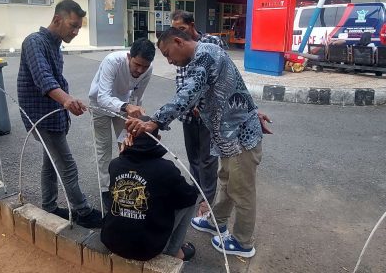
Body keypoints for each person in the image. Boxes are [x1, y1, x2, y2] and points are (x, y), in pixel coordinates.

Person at [125, 27, 272, 258]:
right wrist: (253, 111)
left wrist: (155, 121)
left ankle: (243, 243)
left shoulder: (204, 56)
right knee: (226, 180)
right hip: (227, 136)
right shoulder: (207, 52)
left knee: (242, 190)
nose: (170, 61)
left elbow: (187, 93)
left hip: (240, 136)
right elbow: (232, 87)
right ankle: (217, 221)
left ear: (178, 41)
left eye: (167, 54)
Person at [17, 0, 103, 228]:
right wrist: (66, 100)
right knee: (66, 165)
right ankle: (82, 211)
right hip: (40, 117)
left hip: (54, 116)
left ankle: (50, 206)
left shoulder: (54, 45)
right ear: (57, 19)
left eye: (78, 27)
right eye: (73, 26)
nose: (75, 32)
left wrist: (68, 101)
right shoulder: (34, 42)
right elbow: (43, 78)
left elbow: (56, 80)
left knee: (51, 163)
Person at [101, 128, 198, 262]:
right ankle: (174, 251)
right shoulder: (166, 169)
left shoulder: (115, 164)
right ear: (158, 139)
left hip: (111, 241)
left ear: (128, 138)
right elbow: (189, 196)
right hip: (146, 249)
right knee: (193, 198)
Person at [88, 38, 155, 210]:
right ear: (128, 56)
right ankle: (105, 189)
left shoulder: (148, 69)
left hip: (124, 107)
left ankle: (125, 183)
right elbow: (103, 96)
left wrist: (136, 112)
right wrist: (127, 106)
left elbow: (137, 96)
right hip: (99, 106)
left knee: (127, 146)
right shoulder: (113, 61)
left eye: (144, 67)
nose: (140, 70)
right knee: (103, 148)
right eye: (136, 65)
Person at [170, 10, 225, 217]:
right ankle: (197, 190)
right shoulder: (179, 44)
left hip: (207, 111)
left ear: (192, 25)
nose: (180, 34)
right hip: (187, 111)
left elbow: (215, 74)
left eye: (182, 29)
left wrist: (199, 100)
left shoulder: (211, 43)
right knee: (193, 155)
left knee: (208, 158)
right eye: (176, 30)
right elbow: (181, 81)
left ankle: (207, 200)